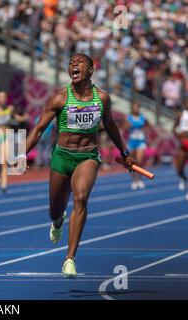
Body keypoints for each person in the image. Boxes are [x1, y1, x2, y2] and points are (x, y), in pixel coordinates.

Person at [16, 53, 134, 278]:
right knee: (55, 210)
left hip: (87, 157)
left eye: (79, 63)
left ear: (91, 70)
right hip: (62, 157)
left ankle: (70, 259)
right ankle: (58, 222)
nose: (73, 66)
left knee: (80, 197)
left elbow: (110, 125)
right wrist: (22, 153)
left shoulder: (102, 98)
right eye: (70, 63)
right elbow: (39, 128)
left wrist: (124, 153)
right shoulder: (60, 98)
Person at [124, 101, 149, 190]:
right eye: (134, 107)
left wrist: (147, 138)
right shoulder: (128, 118)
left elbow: (147, 127)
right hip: (131, 141)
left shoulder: (143, 118)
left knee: (139, 161)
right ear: (132, 108)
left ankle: (140, 179)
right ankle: (134, 180)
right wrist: (127, 126)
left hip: (141, 141)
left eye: (137, 107)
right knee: (132, 163)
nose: (136, 109)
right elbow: (124, 129)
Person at [172, 100, 188, 194]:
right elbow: (173, 129)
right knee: (178, 169)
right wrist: (179, 138)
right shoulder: (180, 115)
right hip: (183, 144)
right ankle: (183, 179)